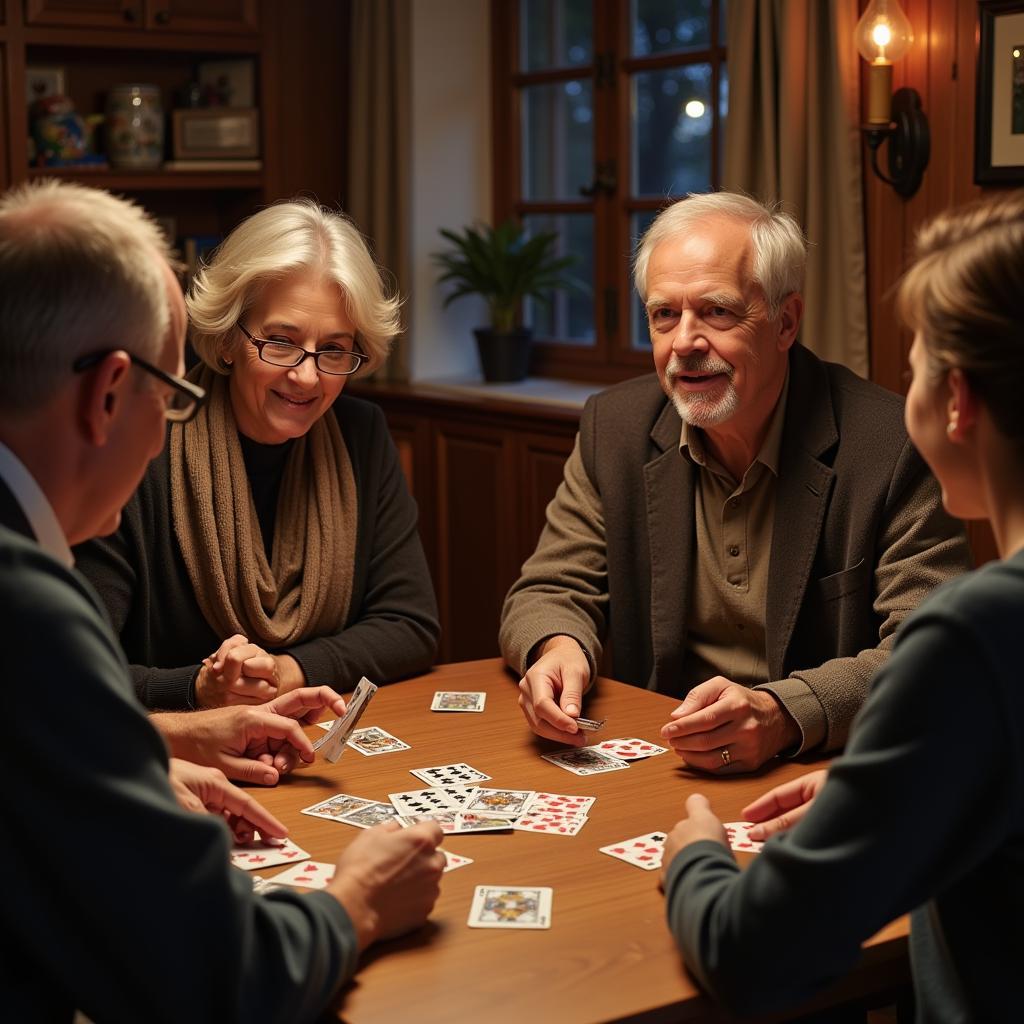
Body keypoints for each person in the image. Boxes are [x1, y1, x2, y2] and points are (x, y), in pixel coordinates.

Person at [0, 179, 444, 1021]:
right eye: (171, 395)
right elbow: (216, 973)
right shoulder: (30, 607)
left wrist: (158, 744)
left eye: (335, 351)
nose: (308, 376)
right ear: (109, 395)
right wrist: (355, 900)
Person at [661, 192, 1024, 1020]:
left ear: (957, 401)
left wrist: (694, 856)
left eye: (919, 362)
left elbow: (754, 953)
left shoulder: (978, 633)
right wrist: (898, 786)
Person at [501, 191, 972, 771]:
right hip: (659, 755)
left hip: (816, 772)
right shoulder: (614, 426)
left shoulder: (893, 445)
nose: (684, 344)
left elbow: (933, 653)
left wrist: (785, 712)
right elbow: (548, 588)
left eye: (717, 312)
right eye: (664, 315)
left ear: (786, 322)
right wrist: (557, 647)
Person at [74, 199, 439, 711]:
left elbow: (409, 624)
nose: (307, 377)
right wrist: (197, 690)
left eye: (334, 350)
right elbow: (73, 668)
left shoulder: (362, 433)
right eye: (280, 342)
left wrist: (288, 672)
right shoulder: (145, 442)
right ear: (226, 338)